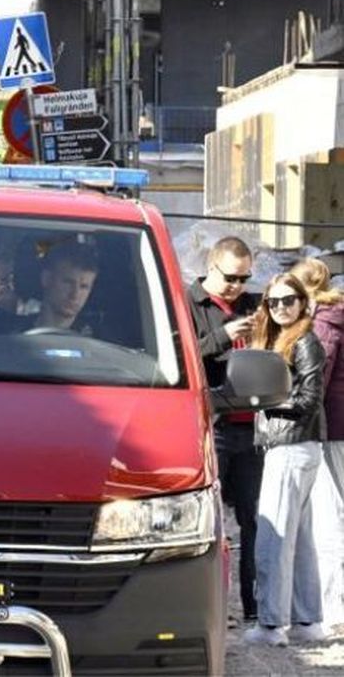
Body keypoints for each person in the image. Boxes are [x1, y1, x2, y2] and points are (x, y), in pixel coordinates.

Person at [247, 273, 329, 647]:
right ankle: (306, 620)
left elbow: (310, 399)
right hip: (295, 445)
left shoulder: (306, 341)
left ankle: (270, 625)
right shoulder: (282, 339)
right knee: (300, 537)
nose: (279, 307)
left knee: (275, 536)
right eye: (273, 301)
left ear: (302, 302)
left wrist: (263, 402)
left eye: (287, 300)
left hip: (293, 445)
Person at [188, 236, 262, 626]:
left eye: (245, 277)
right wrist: (224, 333)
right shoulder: (188, 303)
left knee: (254, 521)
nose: (238, 286)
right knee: (210, 525)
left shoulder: (255, 303)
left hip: (252, 427)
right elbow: (179, 354)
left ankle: (252, 608)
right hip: (211, 425)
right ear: (211, 267)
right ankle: (210, 608)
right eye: (231, 277)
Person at [291, 257, 344, 623]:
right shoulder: (335, 315)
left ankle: (330, 606)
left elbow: (318, 382)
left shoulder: (324, 323)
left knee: (329, 517)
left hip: (334, 429)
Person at [27, 241, 98, 334]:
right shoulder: (13, 333)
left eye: (84, 287)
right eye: (68, 282)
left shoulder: (100, 343)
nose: (75, 295)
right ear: (46, 279)